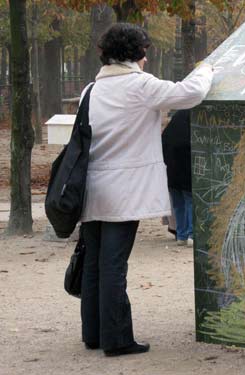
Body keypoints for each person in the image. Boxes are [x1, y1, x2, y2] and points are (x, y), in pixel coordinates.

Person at [78, 23, 213, 357]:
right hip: (124, 192)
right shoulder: (139, 85)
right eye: (145, 52)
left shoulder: (90, 90)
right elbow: (189, 93)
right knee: (114, 264)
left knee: (94, 262)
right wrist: (206, 69)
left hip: (90, 189)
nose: (147, 59)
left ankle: (93, 334)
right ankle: (117, 338)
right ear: (137, 53)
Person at [162, 110, 193, 246]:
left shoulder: (172, 127)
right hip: (187, 172)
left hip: (172, 173)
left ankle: (181, 235)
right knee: (190, 202)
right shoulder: (191, 123)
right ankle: (192, 234)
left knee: (178, 204)